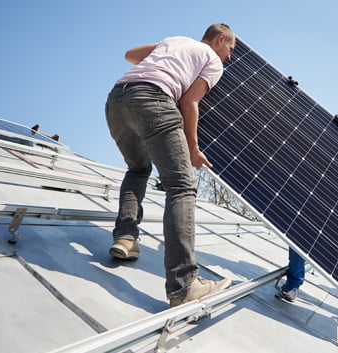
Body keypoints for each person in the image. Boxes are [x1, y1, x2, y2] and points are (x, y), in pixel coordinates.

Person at [105, 24, 236, 307]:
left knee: (138, 169)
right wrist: (193, 148)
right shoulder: (212, 60)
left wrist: (168, 62)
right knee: (182, 186)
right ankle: (184, 285)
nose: (229, 57)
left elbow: (130, 55)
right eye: (230, 50)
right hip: (153, 100)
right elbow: (189, 102)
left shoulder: (175, 40)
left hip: (117, 99)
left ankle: (126, 238)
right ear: (220, 40)